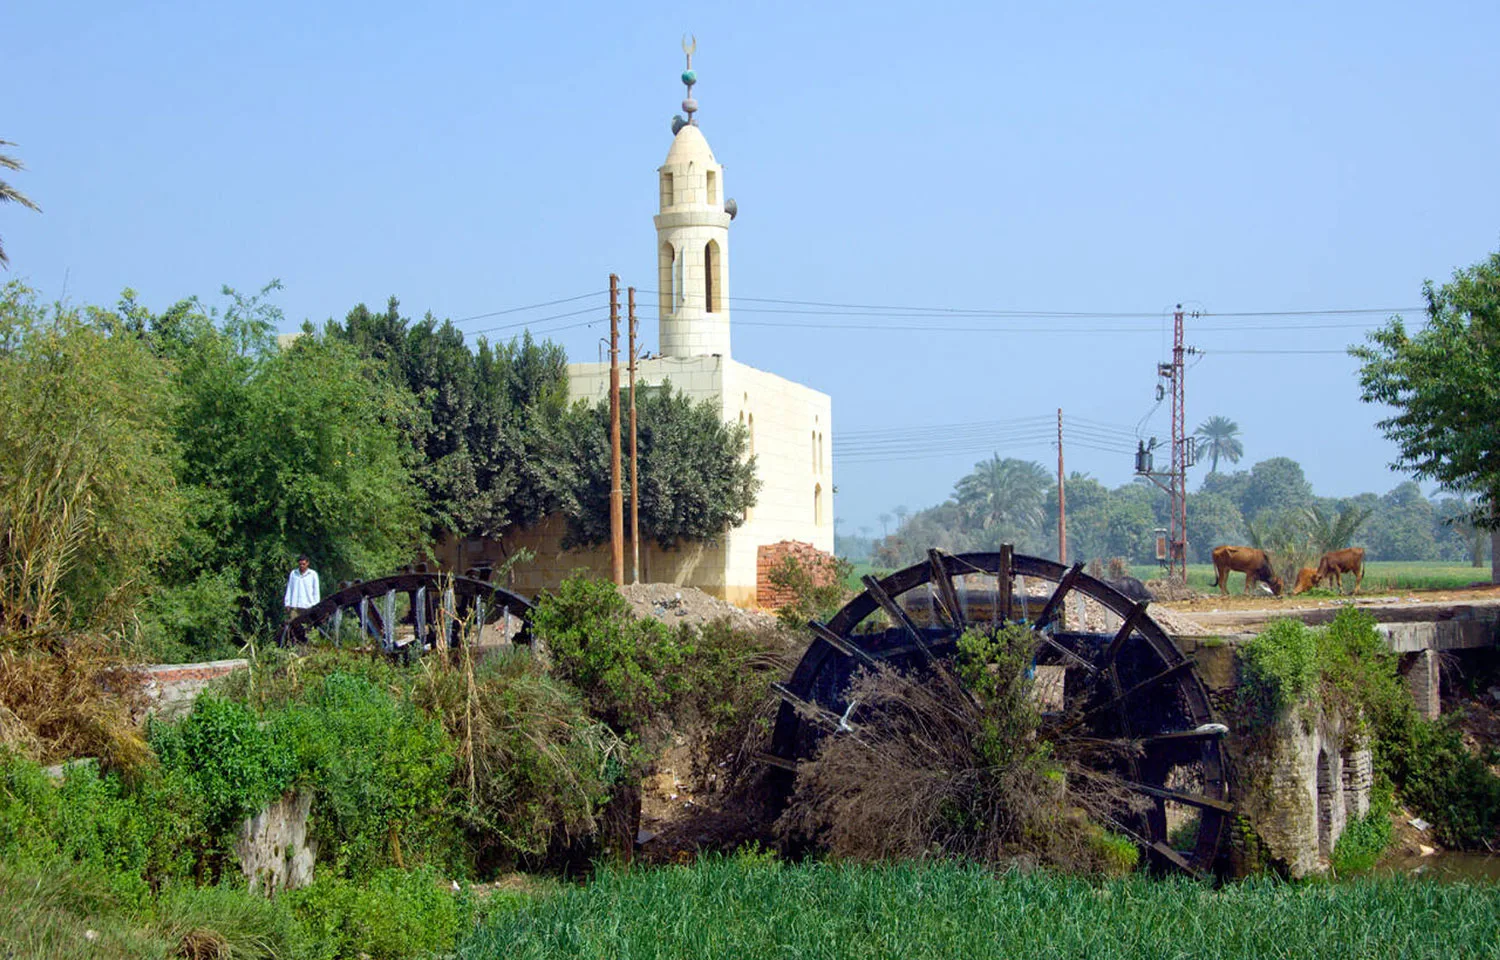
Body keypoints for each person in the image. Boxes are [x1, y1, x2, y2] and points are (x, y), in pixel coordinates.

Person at [283, 554, 320, 620]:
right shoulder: (293, 573)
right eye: (300, 564)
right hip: (295, 606)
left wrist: (316, 606)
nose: (302, 566)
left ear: (307, 563)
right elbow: (289, 589)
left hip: (308, 606)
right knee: (293, 626)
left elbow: (316, 592)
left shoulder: (313, 574)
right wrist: (287, 603)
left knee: (307, 627)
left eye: (303, 564)